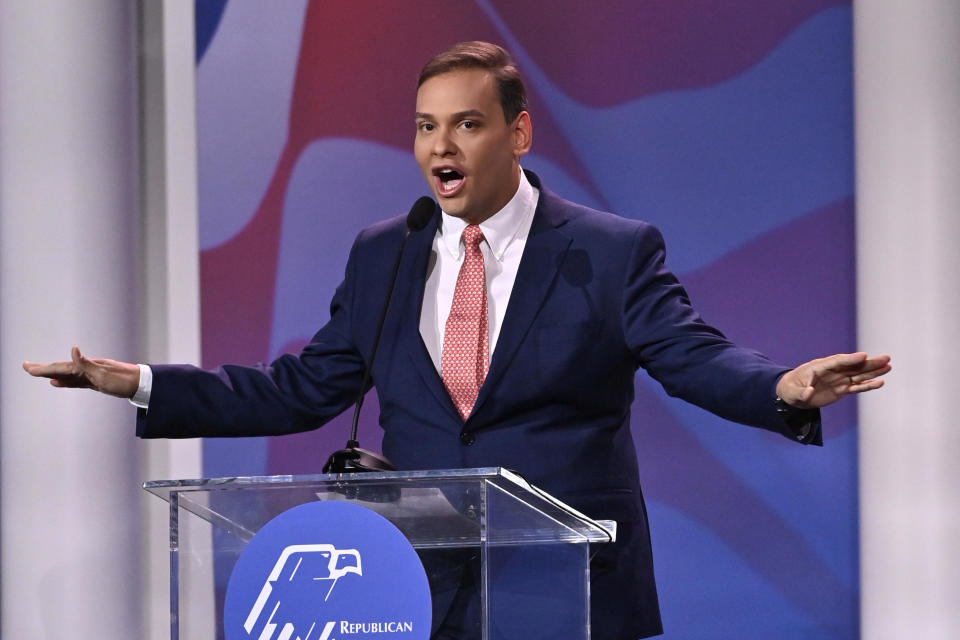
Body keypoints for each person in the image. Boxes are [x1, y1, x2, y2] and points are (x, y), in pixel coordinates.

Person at [24, 42, 890, 639]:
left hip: (570, 599)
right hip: (420, 597)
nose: (440, 146)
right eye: (424, 126)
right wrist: (135, 382)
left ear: (517, 132)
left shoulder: (608, 251)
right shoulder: (385, 254)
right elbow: (299, 388)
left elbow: (692, 353)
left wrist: (780, 387)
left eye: (466, 124)